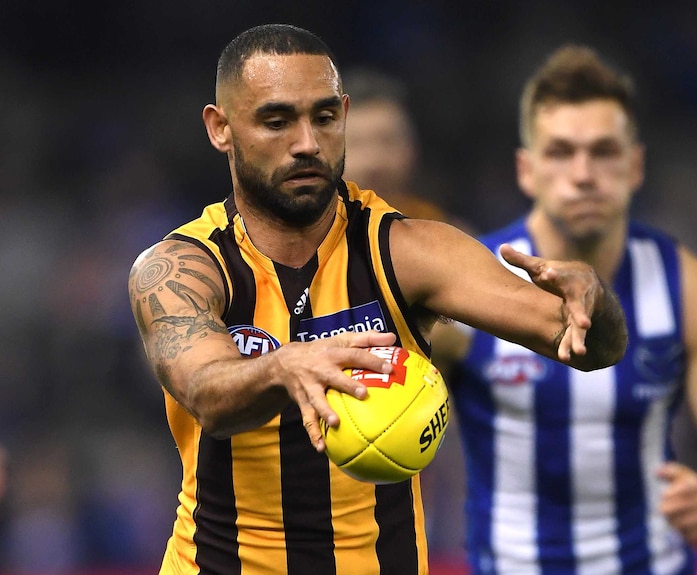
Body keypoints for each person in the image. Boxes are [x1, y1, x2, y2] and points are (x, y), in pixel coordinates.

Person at [127, 25, 628, 575]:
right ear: (220, 128)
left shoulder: (410, 249)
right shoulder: (180, 268)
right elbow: (206, 393)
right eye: (277, 121)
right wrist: (288, 366)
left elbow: (585, 342)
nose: (307, 144)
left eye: (324, 117)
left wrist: (593, 300)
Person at [434, 45, 697, 574]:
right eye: (560, 152)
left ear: (635, 164)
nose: (583, 173)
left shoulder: (688, 287)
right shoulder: (473, 282)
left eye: (603, 151)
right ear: (526, 171)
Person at [342, 67, 448, 222]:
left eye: (387, 141)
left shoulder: (442, 232)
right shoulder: (304, 238)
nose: (373, 162)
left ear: (412, 148)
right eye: (356, 143)